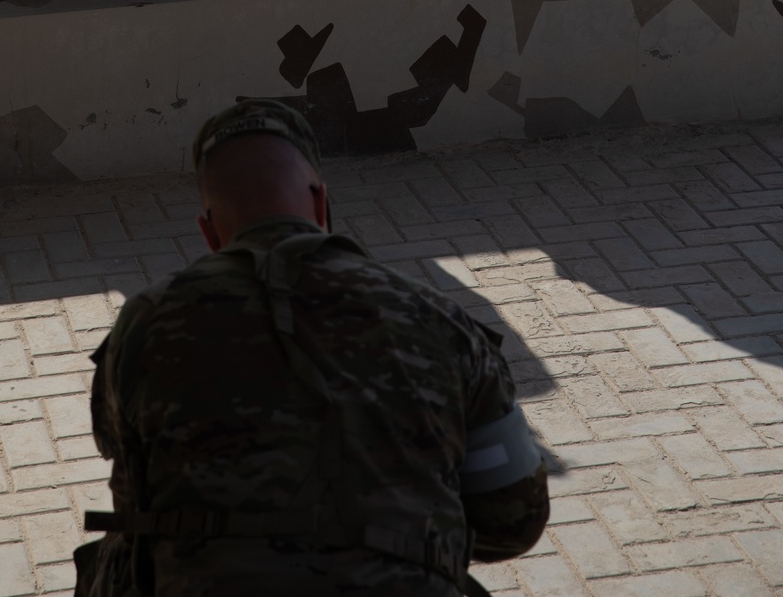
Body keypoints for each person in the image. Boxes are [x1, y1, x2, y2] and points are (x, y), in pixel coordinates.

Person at [77, 99, 549, 596]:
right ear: (322, 204)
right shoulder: (440, 321)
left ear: (210, 233)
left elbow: (134, 505)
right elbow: (514, 521)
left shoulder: (144, 324)